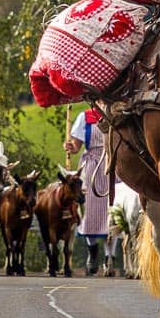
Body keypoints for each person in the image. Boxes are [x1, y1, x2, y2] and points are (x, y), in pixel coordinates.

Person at [63, 105, 110, 276]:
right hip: (91, 165)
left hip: (113, 163)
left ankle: (108, 256)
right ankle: (93, 252)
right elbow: (77, 146)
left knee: (113, 210)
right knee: (91, 209)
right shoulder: (86, 117)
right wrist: (71, 147)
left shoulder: (117, 110)